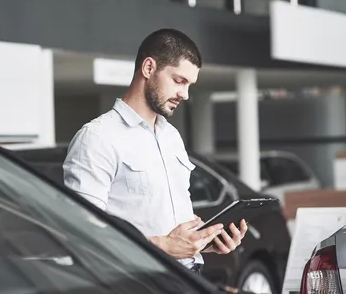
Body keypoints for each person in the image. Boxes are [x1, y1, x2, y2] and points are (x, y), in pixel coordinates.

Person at [63, 28, 247, 273]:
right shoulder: (97, 138)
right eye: (179, 81)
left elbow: (167, 223)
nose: (185, 94)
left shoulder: (171, 136)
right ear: (149, 68)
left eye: (189, 85)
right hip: (139, 282)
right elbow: (82, 234)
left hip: (189, 277)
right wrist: (165, 246)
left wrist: (203, 243)